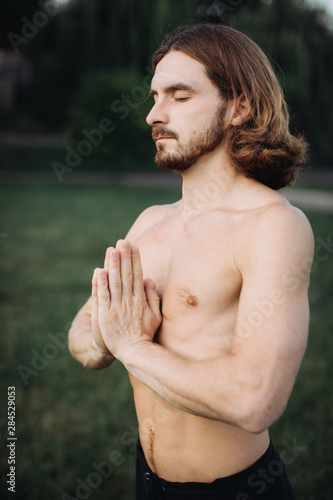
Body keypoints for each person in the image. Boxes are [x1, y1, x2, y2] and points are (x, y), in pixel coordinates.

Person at [68, 23, 314, 500]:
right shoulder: (150, 221)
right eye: (155, 96)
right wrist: (109, 340)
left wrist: (132, 347)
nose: (154, 116)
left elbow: (255, 399)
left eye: (179, 97)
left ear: (239, 105)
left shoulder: (273, 225)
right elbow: (82, 337)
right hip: (146, 481)